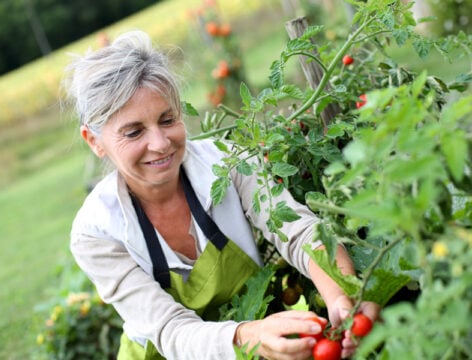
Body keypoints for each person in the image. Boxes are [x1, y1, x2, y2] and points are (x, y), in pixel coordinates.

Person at [65, 30, 380, 360]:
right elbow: (170, 330)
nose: (159, 143)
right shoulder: (96, 232)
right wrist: (249, 335)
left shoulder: (229, 163)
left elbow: (298, 232)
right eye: (134, 132)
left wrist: (342, 294)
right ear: (95, 141)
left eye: (168, 119)